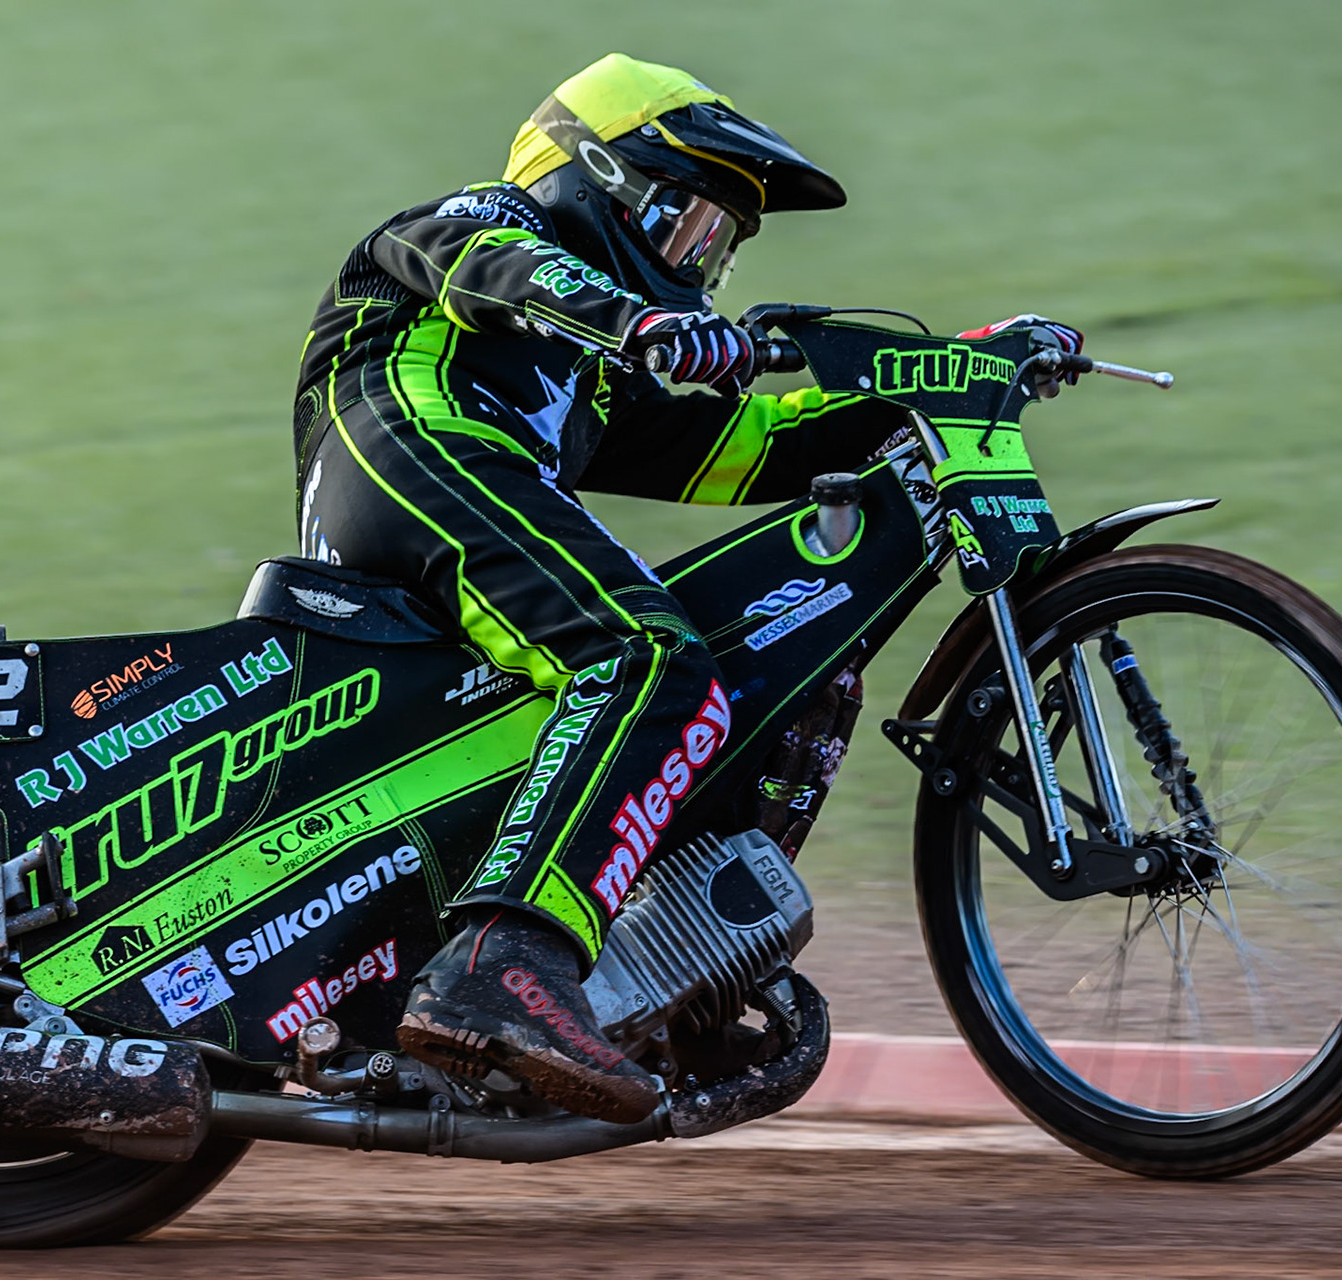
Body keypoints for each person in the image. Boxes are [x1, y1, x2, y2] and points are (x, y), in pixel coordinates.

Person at [290, 53, 1082, 1124]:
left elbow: (746, 448)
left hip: (459, 514)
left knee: (680, 675)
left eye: (723, 244)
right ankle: (501, 959)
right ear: (595, 181)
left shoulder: (585, 385)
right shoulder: (481, 220)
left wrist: (944, 373)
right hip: (403, 456)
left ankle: (617, 953)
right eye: (689, 224)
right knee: (650, 658)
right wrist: (643, 324)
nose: (703, 264)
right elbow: (501, 267)